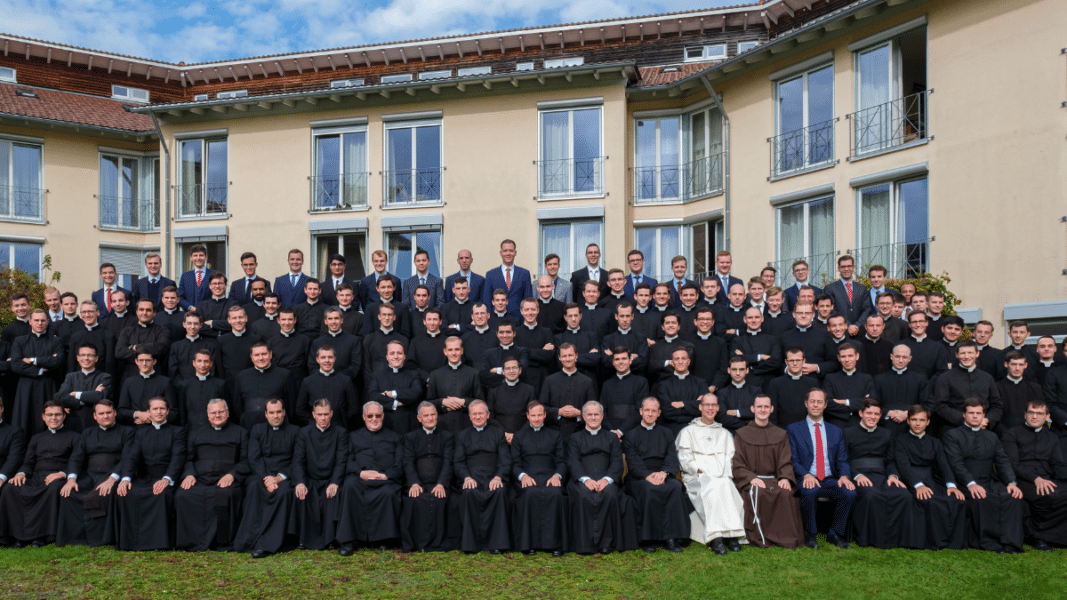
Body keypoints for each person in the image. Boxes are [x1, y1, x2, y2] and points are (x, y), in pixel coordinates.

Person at [942, 399, 1026, 553]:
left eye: (978, 413)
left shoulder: (992, 436)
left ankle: (1010, 542)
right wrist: (971, 483)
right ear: (964, 414)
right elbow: (956, 464)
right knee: (982, 497)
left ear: (983, 415)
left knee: (1012, 497)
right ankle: (990, 544)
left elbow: (1003, 461)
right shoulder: (952, 435)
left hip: (989, 480)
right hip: (965, 482)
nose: (975, 416)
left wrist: (1011, 482)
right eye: (971, 413)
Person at [0, 400, 79, 547]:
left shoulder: (74, 437)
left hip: (57, 476)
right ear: (43, 417)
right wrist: (21, 473)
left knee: (53, 489)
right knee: (10, 488)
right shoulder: (36, 438)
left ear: (64, 416)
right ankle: (15, 536)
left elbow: (78, 462)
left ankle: (41, 537)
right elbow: (28, 463)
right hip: (35, 476)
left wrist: (62, 474)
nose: (53, 418)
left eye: (57, 415)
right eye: (49, 415)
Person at [843, 399, 920, 549]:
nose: (872, 417)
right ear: (861, 413)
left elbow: (890, 460)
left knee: (903, 495)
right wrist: (856, 475)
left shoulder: (886, 433)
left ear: (880, 416)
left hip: (882, 476)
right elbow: (843, 459)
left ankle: (898, 540)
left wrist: (893, 476)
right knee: (871, 496)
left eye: (876, 414)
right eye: (869, 413)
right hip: (858, 476)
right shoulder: (847, 432)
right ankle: (871, 539)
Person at [175, 399, 250, 552]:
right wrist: (189, 475)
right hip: (200, 479)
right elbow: (188, 458)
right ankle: (191, 541)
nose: (217, 415)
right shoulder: (195, 433)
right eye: (213, 413)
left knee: (223, 495)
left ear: (227, 413)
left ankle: (221, 542)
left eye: (221, 412)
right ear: (208, 415)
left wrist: (232, 474)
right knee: (183, 495)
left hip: (226, 479)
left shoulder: (241, 432)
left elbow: (246, 460)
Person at [731, 394, 805, 549]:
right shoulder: (741, 434)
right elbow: (738, 463)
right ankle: (761, 537)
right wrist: (751, 478)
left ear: (771, 409)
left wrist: (785, 477)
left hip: (774, 479)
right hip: (753, 480)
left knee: (787, 493)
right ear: (752, 409)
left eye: (766, 407)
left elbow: (786, 460)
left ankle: (786, 538)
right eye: (759, 406)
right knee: (760, 492)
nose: (762, 410)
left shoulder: (781, 434)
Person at [56, 399, 132, 547]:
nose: (105, 416)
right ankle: (75, 538)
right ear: (95, 416)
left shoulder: (127, 432)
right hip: (90, 475)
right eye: (101, 413)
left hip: (113, 473)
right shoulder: (87, 433)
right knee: (69, 493)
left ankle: (100, 539)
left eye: (108, 412)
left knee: (106, 494)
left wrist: (112, 479)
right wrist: (71, 479)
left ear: (115, 413)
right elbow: (76, 458)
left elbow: (128, 458)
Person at [786, 388, 856, 549]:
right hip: (806, 477)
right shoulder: (794, 429)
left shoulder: (836, 431)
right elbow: (793, 460)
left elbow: (842, 460)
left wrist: (844, 476)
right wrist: (806, 475)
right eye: (812, 401)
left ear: (825, 405)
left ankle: (835, 534)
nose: (815, 405)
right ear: (806, 404)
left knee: (849, 492)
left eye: (819, 402)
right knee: (809, 491)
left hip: (830, 480)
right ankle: (810, 535)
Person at [676, 393, 746, 553]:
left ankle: (731, 534)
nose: (710, 408)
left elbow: (730, 459)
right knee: (713, 485)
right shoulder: (688, 432)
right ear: (700, 407)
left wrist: (722, 474)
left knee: (725, 484)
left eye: (713, 405)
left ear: (718, 408)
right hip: (697, 478)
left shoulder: (725, 434)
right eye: (707, 405)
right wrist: (702, 471)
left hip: (721, 476)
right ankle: (717, 538)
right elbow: (686, 460)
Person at [115, 396, 186, 551]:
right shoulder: (141, 433)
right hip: (145, 477)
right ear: (148, 412)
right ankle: (131, 542)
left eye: (162, 409)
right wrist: (125, 478)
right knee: (127, 493)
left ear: (167, 411)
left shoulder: (178, 432)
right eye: (155, 409)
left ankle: (158, 543)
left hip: (168, 477)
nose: (159, 412)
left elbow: (178, 458)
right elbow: (132, 457)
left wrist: (166, 479)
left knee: (161, 494)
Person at [566, 400, 638, 555]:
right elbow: (573, 461)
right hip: (583, 478)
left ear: (602, 416)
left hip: (607, 477)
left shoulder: (612, 438)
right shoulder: (575, 438)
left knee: (610, 494)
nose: (593, 418)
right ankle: (584, 545)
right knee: (584, 495)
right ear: (584, 416)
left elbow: (617, 462)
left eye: (596, 414)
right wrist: (586, 479)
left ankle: (606, 543)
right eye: (589, 414)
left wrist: (607, 479)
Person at [892, 405, 967, 550]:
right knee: (930, 501)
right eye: (914, 419)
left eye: (922, 420)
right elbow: (904, 467)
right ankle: (936, 542)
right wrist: (918, 485)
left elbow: (944, 465)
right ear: (908, 421)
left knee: (956, 501)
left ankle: (953, 543)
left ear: (928, 422)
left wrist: (951, 486)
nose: (918, 423)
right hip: (912, 482)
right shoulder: (900, 441)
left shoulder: (935, 442)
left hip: (932, 480)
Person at [233, 399, 298, 558]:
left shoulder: (295, 431)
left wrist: (278, 478)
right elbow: (254, 458)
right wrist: (267, 477)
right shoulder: (257, 430)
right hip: (262, 475)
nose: (275, 416)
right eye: (271, 412)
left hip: (284, 477)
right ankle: (250, 540)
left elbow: (297, 461)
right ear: (266, 414)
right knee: (254, 488)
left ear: (284, 412)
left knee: (283, 493)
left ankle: (269, 543)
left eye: (278, 412)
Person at [623, 397, 690, 553]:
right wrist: (648, 476)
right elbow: (633, 461)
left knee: (674, 487)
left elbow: (671, 457)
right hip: (639, 477)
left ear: (659, 413)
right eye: (647, 410)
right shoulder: (631, 435)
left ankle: (671, 538)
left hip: (662, 473)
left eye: (654, 411)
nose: (650, 414)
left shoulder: (667, 433)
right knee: (649, 490)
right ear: (641, 411)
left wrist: (664, 473)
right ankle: (649, 539)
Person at [337, 401, 404, 554]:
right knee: (349, 486)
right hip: (360, 478)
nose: (374, 419)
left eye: (378, 415)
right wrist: (361, 473)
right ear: (363, 417)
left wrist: (385, 475)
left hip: (385, 480)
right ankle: (349, 540)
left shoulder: (395, 437)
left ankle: (383, 540)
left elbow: (400, 463)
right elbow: (346, 460)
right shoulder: (353, 436)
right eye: (370, 416)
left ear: (383, 416)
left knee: (388, 493)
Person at [1002, 399, 1067, 552]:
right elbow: (1012, 465)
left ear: (1047, 417)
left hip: (1045, 477)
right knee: (1047, 496)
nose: (1035, 416)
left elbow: (1058, 465)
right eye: (1031, 412)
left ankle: (1055, 536)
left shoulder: (1052, 437)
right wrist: (1036, 479)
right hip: (1021, 478)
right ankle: (1038, 537)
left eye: (1039, 413)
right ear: (1025, 414)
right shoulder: (1011, 434)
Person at [453, 399, 511, 553]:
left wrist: (499, 477)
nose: (477, 417)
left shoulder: (498, 433)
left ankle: (496, 544)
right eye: (474, 414)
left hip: (493, 475)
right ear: (470, 416)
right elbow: (458, 462)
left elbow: (505, 460)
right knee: (468, 493)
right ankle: (470, 545)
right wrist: (466, 477)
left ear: (487, 415)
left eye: (480, 413)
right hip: (471, 476)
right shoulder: (462, 435)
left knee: (499, 492)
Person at [510, 400, 567, 555]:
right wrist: (523, 476)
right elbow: (514, 463)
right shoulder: (519, 436)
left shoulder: (556, 435)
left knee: (555, 494)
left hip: (550, 475)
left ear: (545, 415)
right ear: (527, 416)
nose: (536, 418)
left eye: (539, 415)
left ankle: (555, 544)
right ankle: (529, 544)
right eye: (533, 415)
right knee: (530, 493)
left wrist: (557, 475)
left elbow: (562, 461)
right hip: (528, 476)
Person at [289, 398, 347, 551]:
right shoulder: (304, 433)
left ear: (332, 414)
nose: (323, 418)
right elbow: (298, 460)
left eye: (326, 414)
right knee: (302, 494)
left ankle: (331, 540)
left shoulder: (340, 433)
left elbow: (341, 461)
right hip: (310, 479)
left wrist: (335, 482)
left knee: (335, 495)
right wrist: (300, 482)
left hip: (331, 479)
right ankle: (304, 540)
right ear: (313, 415)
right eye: (320, 414)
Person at [400, 401, 457, 552]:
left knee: (441, 499)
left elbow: (448, 462)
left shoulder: (447, 436)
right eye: (426, 416)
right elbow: (408, 462)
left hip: (439, 481)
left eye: (433, 415)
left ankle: (439, 544)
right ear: (419, 418)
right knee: (414, 500)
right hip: (419, 481)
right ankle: (418, 544)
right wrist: (413, 483)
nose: (430, 418)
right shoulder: (410, 437)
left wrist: (441, 484)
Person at [11, 310, 66, 435]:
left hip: (48, 386)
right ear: (30, 321)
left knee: (50, 418)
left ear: (48, 322)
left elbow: (57, 362)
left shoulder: (56, 341)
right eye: (36, 320)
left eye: (42, 320)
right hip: (26, 387)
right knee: (25, 419)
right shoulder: (20, 341)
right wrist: (40, 370)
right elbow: (15, 365)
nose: (39, 323)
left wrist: (32, 360)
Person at [934, 340, 1001, 435]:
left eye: (970, 353)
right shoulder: (945, 378)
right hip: (954, 429)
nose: (966, 357)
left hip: (984, 429)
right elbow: (940, 406)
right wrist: (966, 421)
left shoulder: (987, 378)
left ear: (977, 354)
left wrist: (987, 420)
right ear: (956, 355)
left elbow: (997, 405)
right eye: (962, 353)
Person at [231, 342, 296, 430]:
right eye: (257, 355)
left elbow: (291, 405)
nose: (261, 358)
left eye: (264, 354)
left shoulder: (285, 375)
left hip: (277, 427)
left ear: (270, 354)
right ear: (251, 357)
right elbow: (237, 404)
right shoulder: (241, 376)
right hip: (248, 426)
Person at [541, 344, 597, 444]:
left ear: (576, 356)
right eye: (564, 356)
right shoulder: (549, 380)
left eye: (570, 355)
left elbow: (594, 409)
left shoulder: (587, 381)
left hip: (581, 434)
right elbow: (542, 408)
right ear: (559, 358)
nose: (567, 359)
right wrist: (559, 411)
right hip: (554, 434)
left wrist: (579, 413)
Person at [872, 345, 933, 436]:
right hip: (885, 429)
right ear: (891, 356)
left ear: (910, 358)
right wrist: (888, 412)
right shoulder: (878, 379)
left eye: (904, 357)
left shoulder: (920, 379)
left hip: (912, 430)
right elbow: (872, 405)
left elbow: (929, 405)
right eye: (897, 356)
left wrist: (908, 414)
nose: (900, 360)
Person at [427, 336, 483, 434]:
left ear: (462, 351)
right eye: (450, 350)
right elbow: (428, 403)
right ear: (445, 352)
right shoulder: (435, 375)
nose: (453, 353)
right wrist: (442, 402)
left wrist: (463, 402)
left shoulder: (474, 373)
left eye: (457, 349)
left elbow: (481, 402)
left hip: (467, 426)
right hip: (441, 427)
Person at [368, 340, 423, 436]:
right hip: (385, 423)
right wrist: (396, 403)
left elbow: (416, 392)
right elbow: (373, 395)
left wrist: (391, 393)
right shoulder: (377, 375)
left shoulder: (414, 375)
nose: (396, 356)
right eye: (392, 353)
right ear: (387, 357)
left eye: (399, 353)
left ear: (405, 356)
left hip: (409, 424)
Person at [55, 342, 113, 432]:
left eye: (90, 355)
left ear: (96, 358)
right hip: (73, 424)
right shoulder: (71, 377)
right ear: (78, 358)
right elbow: (59, 398)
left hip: (95, 424)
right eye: (83, 355)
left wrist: (76, 394)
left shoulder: (104, 377)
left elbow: (102, 397)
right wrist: (91, 396)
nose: (86, 358)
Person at [296, 345, 357, 428]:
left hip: (339, 427)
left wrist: (341, 420)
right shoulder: (307, 381)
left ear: (335, 358)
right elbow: (300, 410)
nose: (327, 360)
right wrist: (315, 420)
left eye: (330, 357)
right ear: (317, 359)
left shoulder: (345, 380)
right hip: (314, 427)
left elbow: (353, 408)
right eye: (323, 357)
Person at [115, 298, 170, 382]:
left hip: (156, 378)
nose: (144, 313)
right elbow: (119, 352)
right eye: (141, 309)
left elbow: (161, 348)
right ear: (136, 312)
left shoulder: (162, 331)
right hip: (130, 377)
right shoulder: (127, 331)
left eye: (148, 310)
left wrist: (135, 347)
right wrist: (151, 350)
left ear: (154, 313)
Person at [653, 348, 706, 434]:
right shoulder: (663, 385)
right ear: (672, 363)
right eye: (677, 359)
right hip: (672, 431)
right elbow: (667, 412)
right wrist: (694, 405)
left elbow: (705, 408)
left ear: (688, 362)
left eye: (683, 358)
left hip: (697, 429)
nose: (680, 362)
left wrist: (682, 404)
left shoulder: (700, 383)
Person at [822, 342, 873, 429]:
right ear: (838, 358)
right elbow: (828, 404)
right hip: (836, 424)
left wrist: (845, 402)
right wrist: (858, 405)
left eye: (850, 356)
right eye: (843, 356)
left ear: (857, 356)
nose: (847, 360)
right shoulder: (830, 378)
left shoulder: (867, 378)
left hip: (861, 424)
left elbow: (870, 403)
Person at [765, 348, 820, 428]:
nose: (795, 363)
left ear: (803, 361)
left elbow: (816, 408)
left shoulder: (813, 383)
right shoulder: (775, 383)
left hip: (807, 428)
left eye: (798, 360)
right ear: (786, 362)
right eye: (791, 361)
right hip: (782, 429)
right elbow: (772, 409)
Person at [728, 306, 781, 389]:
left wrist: (749, 363)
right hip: (746, 386)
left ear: (762, 318)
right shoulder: (737, 341)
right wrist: (760, 357)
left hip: (767, 385)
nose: (753, 320)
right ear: (745, 319)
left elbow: (776, 362)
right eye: (750, 318)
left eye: (757, 317)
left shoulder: (772, 339)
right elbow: (734, 359)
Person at [600, 350, 648, 436]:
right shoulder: (606, 384)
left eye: (624, 358)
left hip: (634, 433)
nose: (620, 362)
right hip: (610, 434)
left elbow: (640, 410)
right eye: (617, 359)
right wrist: (612, 431)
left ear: (630, 361)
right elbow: (602, 411)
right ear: (613, 362)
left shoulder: (641, 382)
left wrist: (621, 431)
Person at [175, 350, 227, 429]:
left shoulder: (220, 384)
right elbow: (182, 411)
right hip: (191, 429)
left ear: (211, 364)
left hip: (214, 429)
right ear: (194, 363)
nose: (202, 365)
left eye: (206, 361)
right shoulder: (184, 385)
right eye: (199, 361)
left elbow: (225, 411)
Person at [996, 350, 1044, 435]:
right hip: (1004, 435)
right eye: (1013, 364)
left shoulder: (1035, 388)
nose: (1017, 368)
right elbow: (995, 415)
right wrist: (1007, 434)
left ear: (1025, 365)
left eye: (1020, 364)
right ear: (1006, 365)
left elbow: (1041, 414)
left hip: (1031, 435)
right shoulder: (996, 387)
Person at [482, 239, 533, 317]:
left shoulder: (524, 273)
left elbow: (528, 300)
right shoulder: (490, 275)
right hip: (496, 319)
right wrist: (489, 319)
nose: (508, 253)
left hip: (519, 319)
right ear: (501, 253)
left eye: (511, 251)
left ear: (515, 253)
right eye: (505, 251)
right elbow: (487, 300)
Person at [168, 312, 221, 385]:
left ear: (200, 325)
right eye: (189, 323)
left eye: (196, 324)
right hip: (181, 387)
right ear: (184, 325)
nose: (192, 327)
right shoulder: (175, 346)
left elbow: (212, 369)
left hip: (205, 385)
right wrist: (183, 385)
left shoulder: (210, 346)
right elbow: (173, 370)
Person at [267, 308, 311, 381]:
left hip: (298, 380)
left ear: (295, 320)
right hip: (278, 379)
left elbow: (308, 364)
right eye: (283, 319)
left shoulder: (305, 340)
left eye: (290, 319)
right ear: (278, 321)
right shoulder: (271, 342)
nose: (287, 323)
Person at [902, 312, 948, 380]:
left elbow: (941, 371)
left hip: (931, 388)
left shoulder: (938, 347)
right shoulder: (900, 346)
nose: (918, 325)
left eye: (921, 321)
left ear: (927, 323)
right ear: (909, 324)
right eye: (914, 322)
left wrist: (928, 387)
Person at [194, 273, 235, 339]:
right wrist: (221, 331)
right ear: (210, 286)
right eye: (214, 284)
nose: (217, 286)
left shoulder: (233, 304)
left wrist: (212, 323)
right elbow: (199, 326)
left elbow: (234, 324)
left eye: (220, 283)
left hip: (227, 342)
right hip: (207, 343)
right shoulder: (201, 305)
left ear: (225, 285)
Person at [176, 244, 214, 310]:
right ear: (191, 258)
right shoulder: (185, 276)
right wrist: (190, 307)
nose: (198, 258)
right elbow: (180, 297)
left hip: (209, 315)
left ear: (206, 257)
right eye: (195, 255)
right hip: (189, 316)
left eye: (201, 255)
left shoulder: (214, 274)